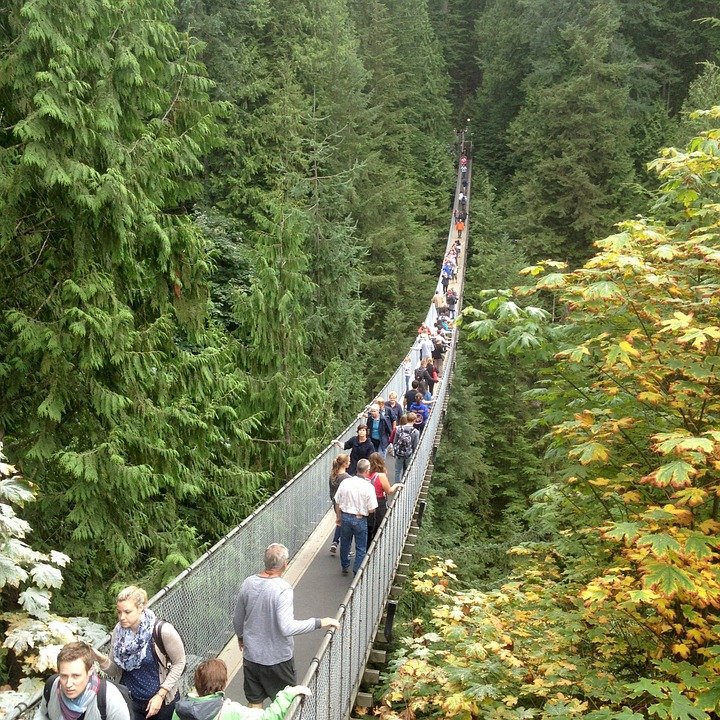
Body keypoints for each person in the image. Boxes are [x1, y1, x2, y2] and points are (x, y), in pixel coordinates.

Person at [233, 544, 339, 708]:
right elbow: (286, 628)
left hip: (251, 657)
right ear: (285, 564)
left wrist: (241, 637)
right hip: (278, 660)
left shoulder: (248, 583)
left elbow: (237, 618)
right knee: (286, 704)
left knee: (255, 704)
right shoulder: (283, 589)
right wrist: (319, 622)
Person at [103, 586, 186, 720]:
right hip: (131, 703)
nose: (122, 617)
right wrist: (99, 658)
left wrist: (161, 695)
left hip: (162, 703)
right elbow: (114, 671)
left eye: (127, 612)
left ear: (140, 607)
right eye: (119, 612)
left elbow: (180, 662)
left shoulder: (162, 631)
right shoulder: (118, 633)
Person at [173, 658, 310, 720]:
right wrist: (288, 693)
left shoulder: (179, 711)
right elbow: (268, 717)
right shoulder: (230, 711)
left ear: (197, 683)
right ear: (223, 684)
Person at [39, 641, 131, 720]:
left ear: (90, 670)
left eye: (76, 676)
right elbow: (42, 715)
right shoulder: (52, 686)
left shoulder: (111, 699)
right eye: (64, 676)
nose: (68, 684)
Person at [334, 459, 377, 576]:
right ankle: (356, 571)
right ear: (367, 471)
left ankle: (345, 566)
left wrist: (338, 517)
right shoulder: (369, 487)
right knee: (361, 547)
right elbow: (372, 508)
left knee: (345, 543)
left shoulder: (345, 482)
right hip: (360, 519)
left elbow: (337, 501)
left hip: (345, 517)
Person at [366, 453, 403, 547]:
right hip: (379, 503)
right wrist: (396, 485)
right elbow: (389, 491)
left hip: (367, 502)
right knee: (380, 524)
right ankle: (376, 546)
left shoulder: (366, 474)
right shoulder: (381, 476)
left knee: (368, 526)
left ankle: (367, 547)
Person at [328, 453, 351, 555]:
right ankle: (346, 549)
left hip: (335, 503)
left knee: (340, 522)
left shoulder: (332, 475)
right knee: (347, 526)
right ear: (344, 464)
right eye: (348, 462)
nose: (350, 463)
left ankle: (335, 542)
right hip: (345, 504)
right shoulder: (346, 477)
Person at [393, 414, 420, 484]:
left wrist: (395, 451)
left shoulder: (399, 429)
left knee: (397, 471)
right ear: (414, 421)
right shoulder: (416, 432)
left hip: (399, 453)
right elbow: (415, 445)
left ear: (407, 419)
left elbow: (395, 441)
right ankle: (404, 484)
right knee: (407, 470)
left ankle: (397, 486)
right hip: (408, 454)